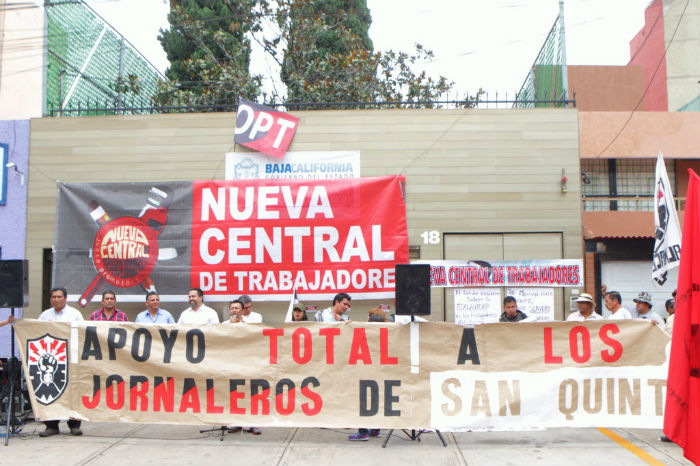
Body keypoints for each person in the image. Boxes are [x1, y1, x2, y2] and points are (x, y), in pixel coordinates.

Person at [37, 287, 83, 437]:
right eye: (53, 297)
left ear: (65, 298)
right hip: (51, 360)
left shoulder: (74, 314)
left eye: (59, 297)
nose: (56, 299)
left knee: (72, 392)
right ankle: (51, 425)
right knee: (50, 390)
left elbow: (82, 333)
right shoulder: (44, 315)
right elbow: (36, 333)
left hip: (70, 358)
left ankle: (74, 425)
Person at [348, 308, 384, 441]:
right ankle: (375, 429)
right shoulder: (386, 335)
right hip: (380, 375)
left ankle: (363, 432)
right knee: (377, 402)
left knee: (363, 402)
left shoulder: (366, 335)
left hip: (366, 374)